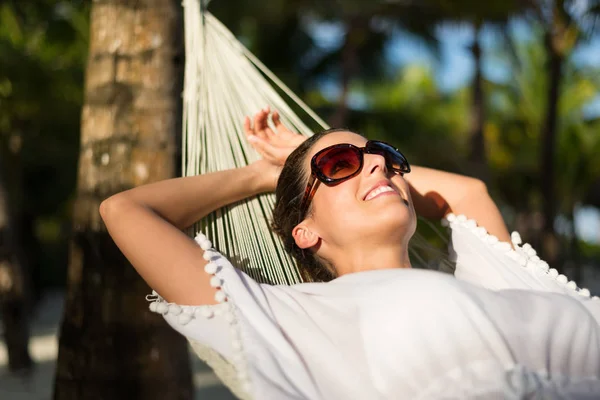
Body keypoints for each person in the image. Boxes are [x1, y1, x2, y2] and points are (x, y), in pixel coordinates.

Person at [100, 107, 600, 399]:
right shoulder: (287, 319)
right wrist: (269, 174)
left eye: (388, 161)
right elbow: (126, 211)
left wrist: (316, 151)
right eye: (342, 165)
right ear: (304, 232)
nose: (380, 169)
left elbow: (467, 194)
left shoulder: (484, 277)